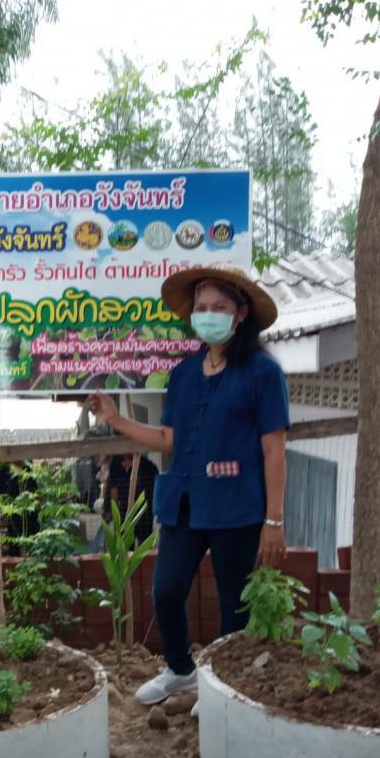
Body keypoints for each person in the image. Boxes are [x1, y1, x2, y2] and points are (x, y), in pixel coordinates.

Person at [89, 262, 289, 707]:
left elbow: (274, 449)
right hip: (182, 502)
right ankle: (181, 669)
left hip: (237, 506)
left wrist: (274, 520)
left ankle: (220, 688)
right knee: (166, 589)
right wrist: (115, 418)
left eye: (219, 306)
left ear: (240, 314)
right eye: (201, 307)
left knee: (233, 603)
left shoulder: (262, 373)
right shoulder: (183, 374)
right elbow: (168, 439)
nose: (209, 313)